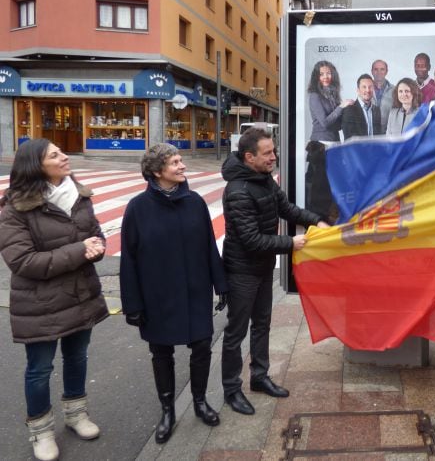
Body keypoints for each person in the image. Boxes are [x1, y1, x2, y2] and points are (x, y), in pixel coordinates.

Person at [0, 139, 108, 461]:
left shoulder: (79, 197)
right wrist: (80, 250)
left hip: (80, 294)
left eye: (63, 151)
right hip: (40, 303)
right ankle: (42, 431)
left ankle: (76, 415)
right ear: (36, 165)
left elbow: (96, 235)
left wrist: (97, 247)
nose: (65, 157)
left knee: (77, 358)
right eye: (55, 155)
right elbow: (23, 262)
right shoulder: (15, 209)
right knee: (40, 368)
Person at [119, 143, 229, 444]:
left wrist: (221, 286)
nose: (182, 166)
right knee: (161, 352)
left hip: (195, 291)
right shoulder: (138, 208)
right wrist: (132, 304)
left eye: (181, 161)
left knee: (202, 346)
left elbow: (209, 246)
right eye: (176, 162)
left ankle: (199, 401)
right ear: (157, 172)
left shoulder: (194, 201)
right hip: (157, 295)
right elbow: (128, 259)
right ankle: (167, 410)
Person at [220, 128, 329, 415]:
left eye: (273, 151)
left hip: (263, 266)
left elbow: (287, 208)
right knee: (236, 332)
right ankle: (231, 389)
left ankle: (259, 377)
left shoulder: (263, 179)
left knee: (262, 324)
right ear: (249, 157)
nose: (273, 157)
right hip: (242, 271)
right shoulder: (238, 191)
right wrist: (292, 242)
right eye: (267, 153)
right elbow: (251, 240)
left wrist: (317, 221)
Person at [307, 60, 353, 142]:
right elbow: (325, 123)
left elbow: (338, 124)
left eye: (328, 73)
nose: (325, 77)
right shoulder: (315, 96)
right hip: (320, 143)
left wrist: (349, 111)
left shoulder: (333, 95)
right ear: (316, 77)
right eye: (321, 74)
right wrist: (341, 106)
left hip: (335, 141)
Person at [341, 74, 383, 139]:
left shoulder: (376, 110)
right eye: (364, 87)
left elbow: (378, 135)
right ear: (358, 90)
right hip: (357, 148)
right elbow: (349, 138)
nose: (368, 90)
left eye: (370, 87)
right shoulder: (349, 110)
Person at [371, 59, 394, 129]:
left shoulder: (395, 90)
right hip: (369, 133)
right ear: (372, 71)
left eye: (382, 69)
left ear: (386, 71)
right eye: (376, 69)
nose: (379, 72)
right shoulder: (365, 89)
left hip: (387, 133)